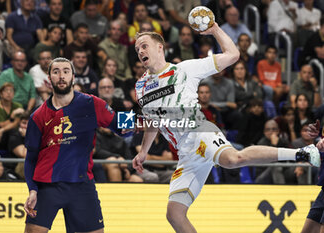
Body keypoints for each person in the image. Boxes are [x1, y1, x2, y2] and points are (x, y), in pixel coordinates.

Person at [131, 29, 321, 233]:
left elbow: (233, 55)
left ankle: (303, 153)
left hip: (200, 132)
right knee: (174, 213)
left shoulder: (185, 69)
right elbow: (152, 121)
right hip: (185, 153)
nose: (140, 51)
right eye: (137, 49)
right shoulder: (141, 86)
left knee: (232, 159)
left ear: (160, 48)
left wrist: (213, 29)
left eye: (144, 45)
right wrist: (143, 152)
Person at [23, 57, 119, 233]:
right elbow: (30, 158)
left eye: (66, 71)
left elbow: (120, 123)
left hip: (82, 184)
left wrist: (151, 119)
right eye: (56, 72)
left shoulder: (91, 104)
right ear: (49, 78)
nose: (61, 76)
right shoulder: (37, 117)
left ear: (73, 77)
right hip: (47, 186)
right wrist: (32, 190)